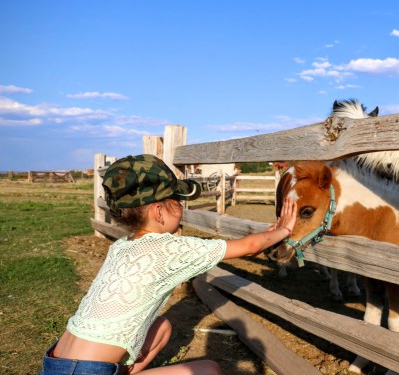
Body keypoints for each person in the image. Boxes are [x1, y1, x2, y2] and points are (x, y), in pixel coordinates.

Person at [39, 154, 297, 375]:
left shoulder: (121, 247)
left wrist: (269, 235)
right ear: (158, 212)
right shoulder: (169, 249)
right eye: (178, 201)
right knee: (209, 370)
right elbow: (250, 246)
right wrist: (284, 229)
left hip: (54, 363)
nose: (182, 208)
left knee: (162, 326)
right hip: (90, 371)